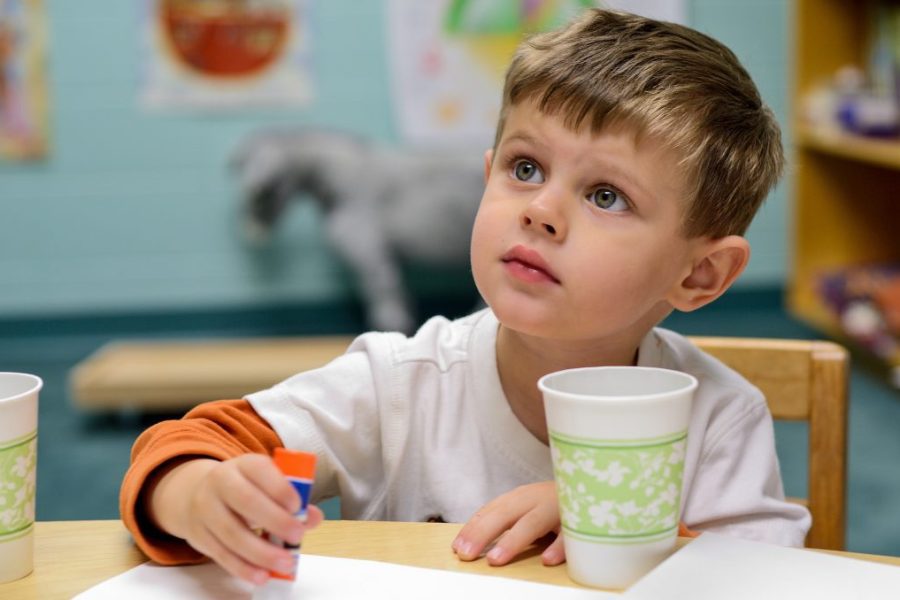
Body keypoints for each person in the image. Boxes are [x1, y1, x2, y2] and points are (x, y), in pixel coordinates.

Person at [120, 8, 810, 585]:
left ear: (700, 275)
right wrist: (197, 494)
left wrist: (620, 527)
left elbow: (765, 580)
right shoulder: (399, 382)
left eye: (607, 195)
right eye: (525, 167)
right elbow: (195, 443)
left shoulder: (720, 419)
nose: (540, 208)